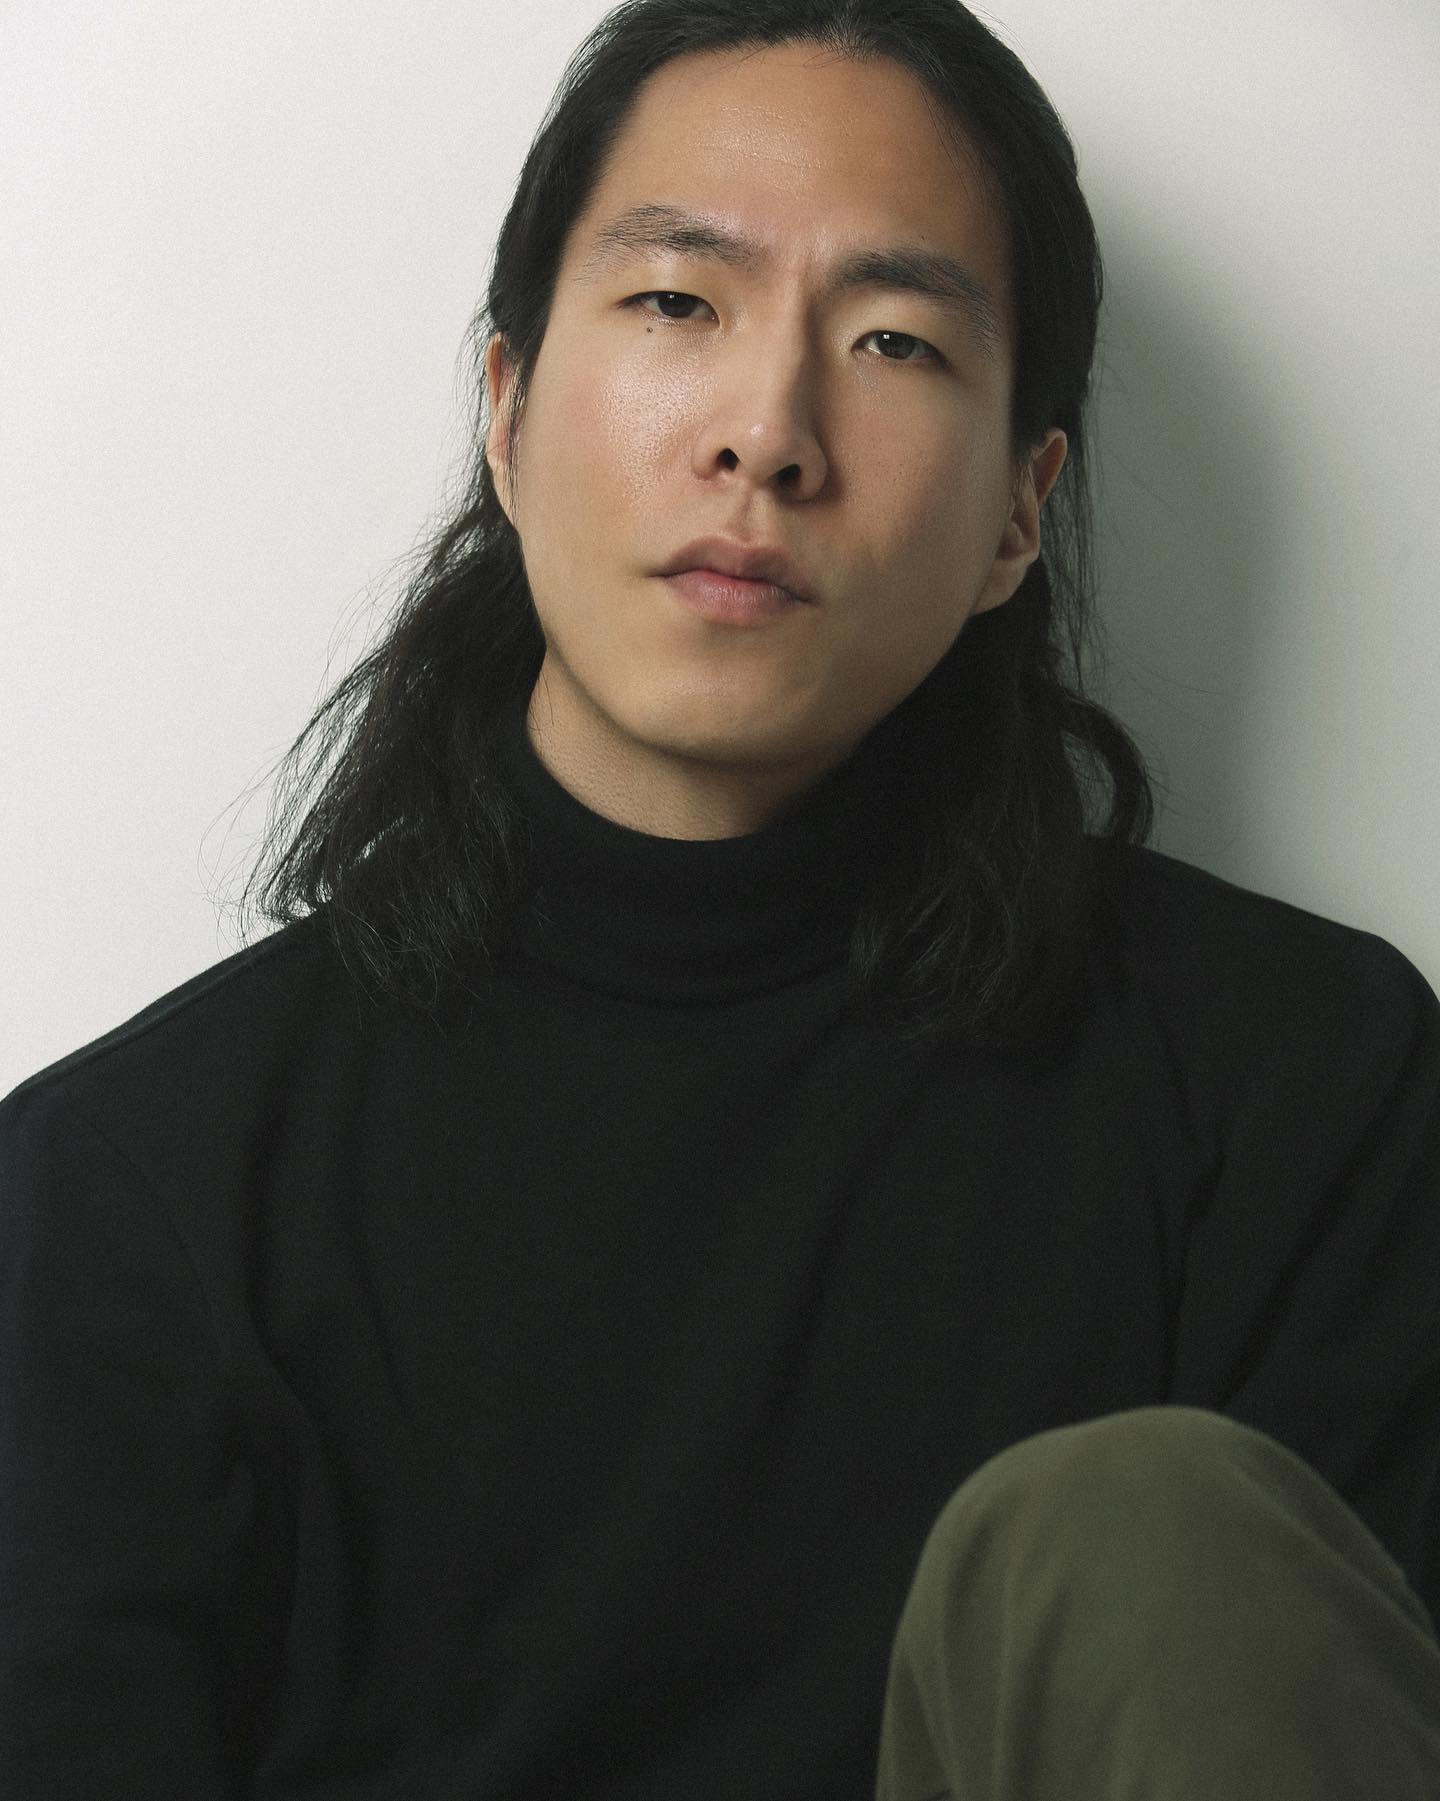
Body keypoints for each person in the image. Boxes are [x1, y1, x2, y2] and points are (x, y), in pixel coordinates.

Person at [2, 0, 1438, 1795]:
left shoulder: (1300, 1087)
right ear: (508, 411)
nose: (768, 433)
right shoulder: (123, 1197)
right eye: (680, 302)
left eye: (896, 339)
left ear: (1021, 508)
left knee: (1145, 1523)